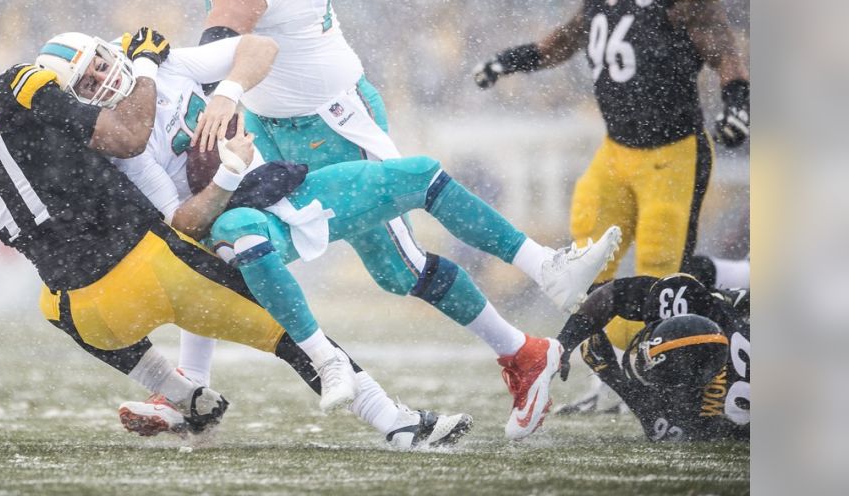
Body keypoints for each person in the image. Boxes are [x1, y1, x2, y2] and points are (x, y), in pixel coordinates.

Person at [177, 0, 620, 438]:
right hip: (274, 119)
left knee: (399, 267)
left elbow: (225, 31)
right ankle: (188, 390)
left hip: (331, 122)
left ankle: (527, 338)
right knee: (221, 246)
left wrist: (205, 87)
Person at [37, 31, 619, 440]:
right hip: (246, 220)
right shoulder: (120, 150)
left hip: (286, 184)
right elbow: (183, 226)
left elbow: (259, 48)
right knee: (237, 237)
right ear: (75, 103)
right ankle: (331, 379)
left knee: (416, 181)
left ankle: (545, 275)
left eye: (99, 62)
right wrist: (231, 172)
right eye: (85, 81)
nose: (101, 77)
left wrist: (227, 91)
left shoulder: (165, 67)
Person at [0, 34, 472, 450]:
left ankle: (181, 393)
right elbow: (124, 136)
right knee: (290, 337)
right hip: (150, 263)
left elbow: (30, 170)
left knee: (51, 304)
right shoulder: (19, 86)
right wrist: (146, 65)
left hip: (90, 312)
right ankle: (393, 420)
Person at [472, 0, 751, 406]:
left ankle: (670, 373)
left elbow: (723, 47)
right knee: (583, 265)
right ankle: (611, 377)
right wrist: (511, 60)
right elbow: (571, 37)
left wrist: (738, 101)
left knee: (664, 272)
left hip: (673, 153)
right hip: (615, 151)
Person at [554, 273, 749, 441]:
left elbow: (672, 435)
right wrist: (563, 345)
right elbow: (611, 295)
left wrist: (611, 373)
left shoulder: (716, 386)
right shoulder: (711, 305)